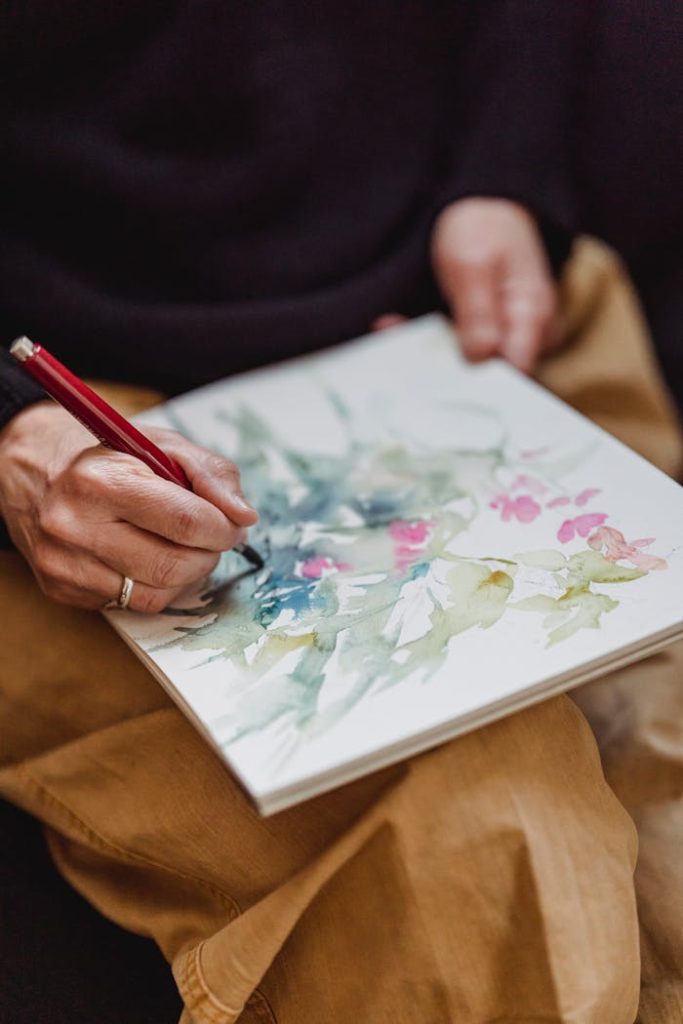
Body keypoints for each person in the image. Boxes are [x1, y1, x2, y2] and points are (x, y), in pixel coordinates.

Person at [0, 4, 680, 1022]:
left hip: (480, 312)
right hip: (95, 429)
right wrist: (14, 434)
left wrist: (502, 173)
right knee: (482, 840)